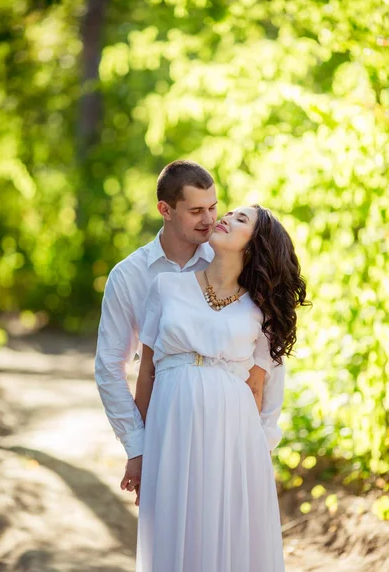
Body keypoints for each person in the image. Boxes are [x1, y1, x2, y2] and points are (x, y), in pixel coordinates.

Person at [134, 204, 309, 571]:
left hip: (233, 441)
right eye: (227, 212)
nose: (225, 217)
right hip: (172, 433)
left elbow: (258, 391)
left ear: (255, 243)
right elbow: (146, 370)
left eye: (240, 219)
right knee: (173, 536)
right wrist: (138, 449)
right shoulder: (166, 286)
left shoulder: (259, 312)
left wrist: (254, 464)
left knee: (224, 538)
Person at [95, 160, 218, 501]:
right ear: (165, 209)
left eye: (212, 207)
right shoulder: (128, 276)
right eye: (196, 211)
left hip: (223, 422)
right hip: (164, 422)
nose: (209, 220)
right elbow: (109, 366)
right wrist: (137, 446)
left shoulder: (229, 261)